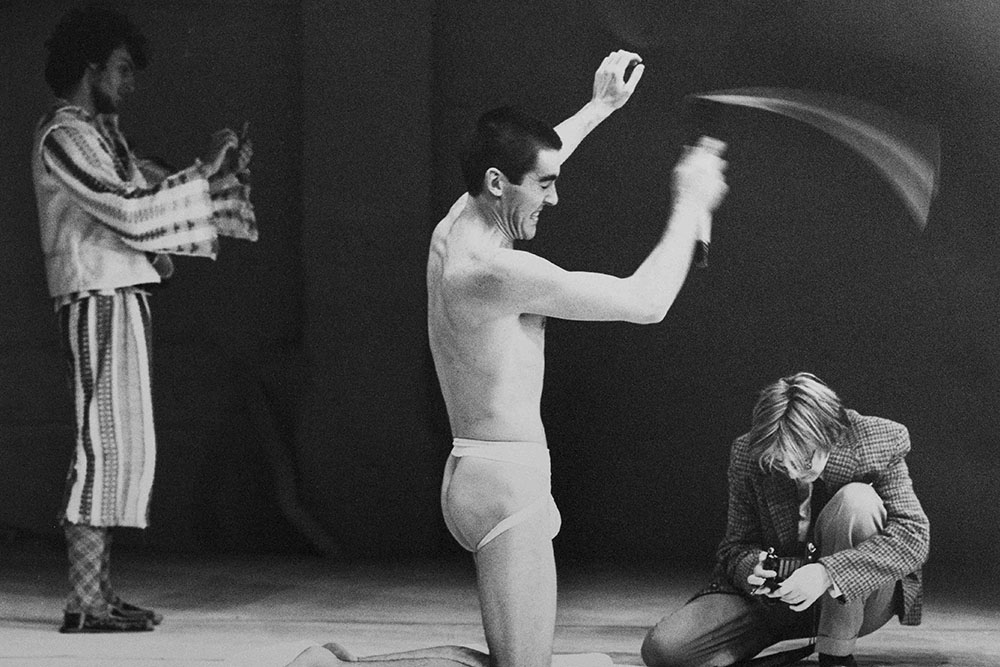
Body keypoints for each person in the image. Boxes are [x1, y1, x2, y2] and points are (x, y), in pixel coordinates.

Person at [281, 50, 727, 667]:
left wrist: (598, 108)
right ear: (498, 184)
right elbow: (645, 302)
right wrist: (689, 202)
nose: (555, 197)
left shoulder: (458, 222)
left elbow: (532, 157)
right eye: (545, 186)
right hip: (504, 483)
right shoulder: (492, 271)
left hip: (484, 468)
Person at [32, 3, 256, 634]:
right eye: (122, 68)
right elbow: (128, 207)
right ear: (90, 66)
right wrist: (201, 182)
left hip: (120, 293)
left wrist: (208, 173)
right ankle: (83, 602)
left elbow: (144, 187)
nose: (129, 83)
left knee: (123, 445)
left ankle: (97, 595)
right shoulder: (64, 133)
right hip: (95, 295)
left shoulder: (100, 135)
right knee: (102, 441)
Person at [641, 372, 930, 667]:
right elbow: (735, 547)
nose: (794, 472)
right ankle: (793, 630)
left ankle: (836, 655)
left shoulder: (875, 441)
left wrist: (827, 574)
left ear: (829, 434)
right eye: (781, 461)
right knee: (665, 650)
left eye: (805, 460)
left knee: (856, 501)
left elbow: (913, 537)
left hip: (857, 597)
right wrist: (752, 569)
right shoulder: (748, 453)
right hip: (778, 600)